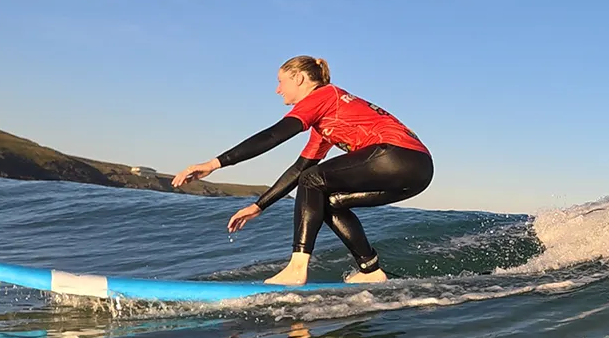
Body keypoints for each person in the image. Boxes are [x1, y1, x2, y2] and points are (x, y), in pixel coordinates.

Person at [173, 56, 432, 285]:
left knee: (314, 179)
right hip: (416, 171)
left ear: (298, 78)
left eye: (280, 81)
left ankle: (297, 268)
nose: (277, 90)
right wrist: (259, 206)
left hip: (397, 155)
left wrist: (213, 163)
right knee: (326, 200)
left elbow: (274, 135)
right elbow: (300, 169)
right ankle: (370, 270)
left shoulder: (323, 95)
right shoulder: (329, 116)